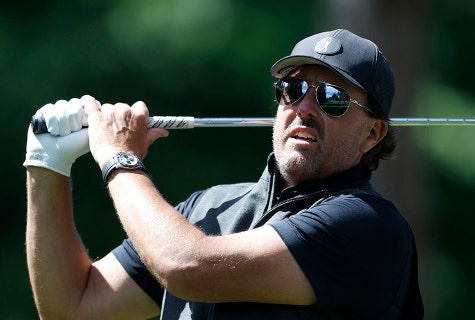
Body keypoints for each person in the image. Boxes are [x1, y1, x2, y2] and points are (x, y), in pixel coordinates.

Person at [25, 29, 423, 319]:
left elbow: (184, 267)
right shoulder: (210, 208)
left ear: (372, 133)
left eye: (330, 97)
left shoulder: (369, 227)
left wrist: (119, 158)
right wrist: (46, 165)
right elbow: (72, 305)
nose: (303, 108)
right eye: (292, 88)